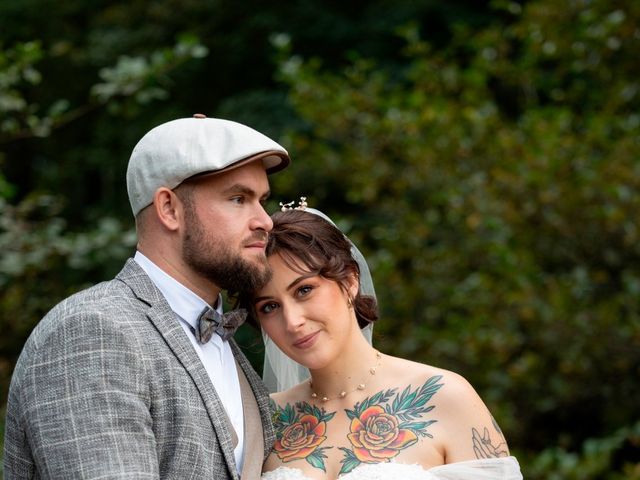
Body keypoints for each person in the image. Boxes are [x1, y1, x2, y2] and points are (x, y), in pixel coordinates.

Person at [4, 114, 291, 479]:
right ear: (169, 209)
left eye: (262, 200)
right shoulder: (93, 332)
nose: (265, 221)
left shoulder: (226, 346)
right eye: (238, 199)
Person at [238, 203, 524, 480]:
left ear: (350, 281)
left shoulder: (446, 397)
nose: (292, 321)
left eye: (304, 290)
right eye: (269, 307)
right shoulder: (264, 420)